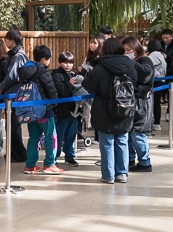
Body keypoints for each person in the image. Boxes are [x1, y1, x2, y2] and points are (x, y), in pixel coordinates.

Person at [83, 38, 137, 184]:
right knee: (122, 141)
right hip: (125, 109)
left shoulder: (100, 67)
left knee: (106, 142)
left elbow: (89, 85)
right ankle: (122, 173)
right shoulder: (130, 65)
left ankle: (108, 175)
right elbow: (135, 84)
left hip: (104, 110)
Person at [18, 45, 61, 174]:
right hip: (44, 111)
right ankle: (49, 164)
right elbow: (52, 91)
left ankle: (30, 165)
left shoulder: (25, 72)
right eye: (48, 59)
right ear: (43, 59)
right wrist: (53, 104)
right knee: (50, 137)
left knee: (33, 138)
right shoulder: (43, 73)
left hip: (30, 112)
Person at [0, 29, 30, 162]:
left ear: (12, 41)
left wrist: (0, 87)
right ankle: (14, 152)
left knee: (13, 125)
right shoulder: (18, 54)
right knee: (12, 125)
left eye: (6, 40)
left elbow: (12, 75)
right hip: (15, 94)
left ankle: (18, 154)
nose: (5, 42)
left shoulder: (18, 56)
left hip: (14, 94)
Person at [125, 38, 154, 172]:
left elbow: (147, 76)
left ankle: (144, 162)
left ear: (136, 48)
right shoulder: (133, 61)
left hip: (141, 102)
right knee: (130, 131)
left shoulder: (145, 61)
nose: (127, 53)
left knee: (137, 132)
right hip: (132, 101)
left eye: (129, 50)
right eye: (124, 50)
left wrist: (132, 64)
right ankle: (130, 159)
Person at [52, 51, 81, 167]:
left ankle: (69, 156)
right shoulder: (56, 75)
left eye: (70, 62)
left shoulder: (73, 74)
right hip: (61, 111)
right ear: (60, 63)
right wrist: (69, 84)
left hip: (73, 110)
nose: (68, 65)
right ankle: (54, 157)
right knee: (58, 135)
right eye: (65, 62)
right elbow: (61, 92)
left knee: (71, 134)